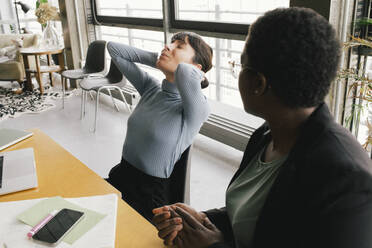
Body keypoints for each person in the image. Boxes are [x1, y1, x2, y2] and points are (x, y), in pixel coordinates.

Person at [152, 7, 372, 248]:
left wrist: (212, 246)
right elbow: (259, 217)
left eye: (241, 64)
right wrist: (203, 220)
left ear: (258, 83)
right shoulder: (267, 134)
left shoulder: (347, 181)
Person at [106, 32, 213, 221]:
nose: (168, 46)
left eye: (179, 46)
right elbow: (114, 49)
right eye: (170, 43)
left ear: (197, 68)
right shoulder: (151, 87)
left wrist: (196, 73)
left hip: (148, 198)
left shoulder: (195, 108)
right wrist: (159, 58)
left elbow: (185, 73)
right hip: (121, 177)